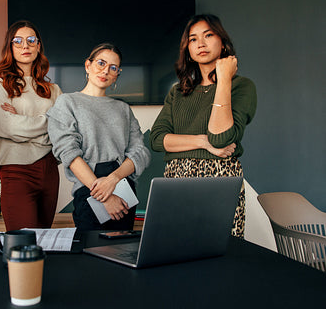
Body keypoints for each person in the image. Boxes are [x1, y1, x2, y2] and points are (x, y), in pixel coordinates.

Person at [150, 14, 257, 238]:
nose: (201, 43)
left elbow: (221, 138)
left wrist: (225, 78)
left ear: (223, 42)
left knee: (220, 258)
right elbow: (158, 139)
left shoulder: (242, 87)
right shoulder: (178, 92)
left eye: (208, 35)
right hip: (176, 181)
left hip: (219, 182)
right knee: (176, 252)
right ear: (187, 48)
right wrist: (203, 143)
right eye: (193, 39)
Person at [47, 43, 151, 231]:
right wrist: (105, 196)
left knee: (123, 254)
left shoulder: (123, 109)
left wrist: (113, 180)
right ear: (88, 65)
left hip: (123, 190)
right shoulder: (67, 102)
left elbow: (140, 152)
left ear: (117, 74)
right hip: (89, 190)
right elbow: (68, 152)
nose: (106, 71)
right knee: (90, 256)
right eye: (101, 63)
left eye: (113, 68)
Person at [0, 20, 62, 231]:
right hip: (16, 169)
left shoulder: (53, 89)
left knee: (43, 243)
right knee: (22, 244)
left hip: (49, 169)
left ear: (39, 46)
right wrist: (48, 121)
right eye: (18, 41)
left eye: (31, 40)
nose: (25, 46)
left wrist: (24, 121)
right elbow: (10, 127)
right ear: (10, 47)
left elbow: (63, 129)